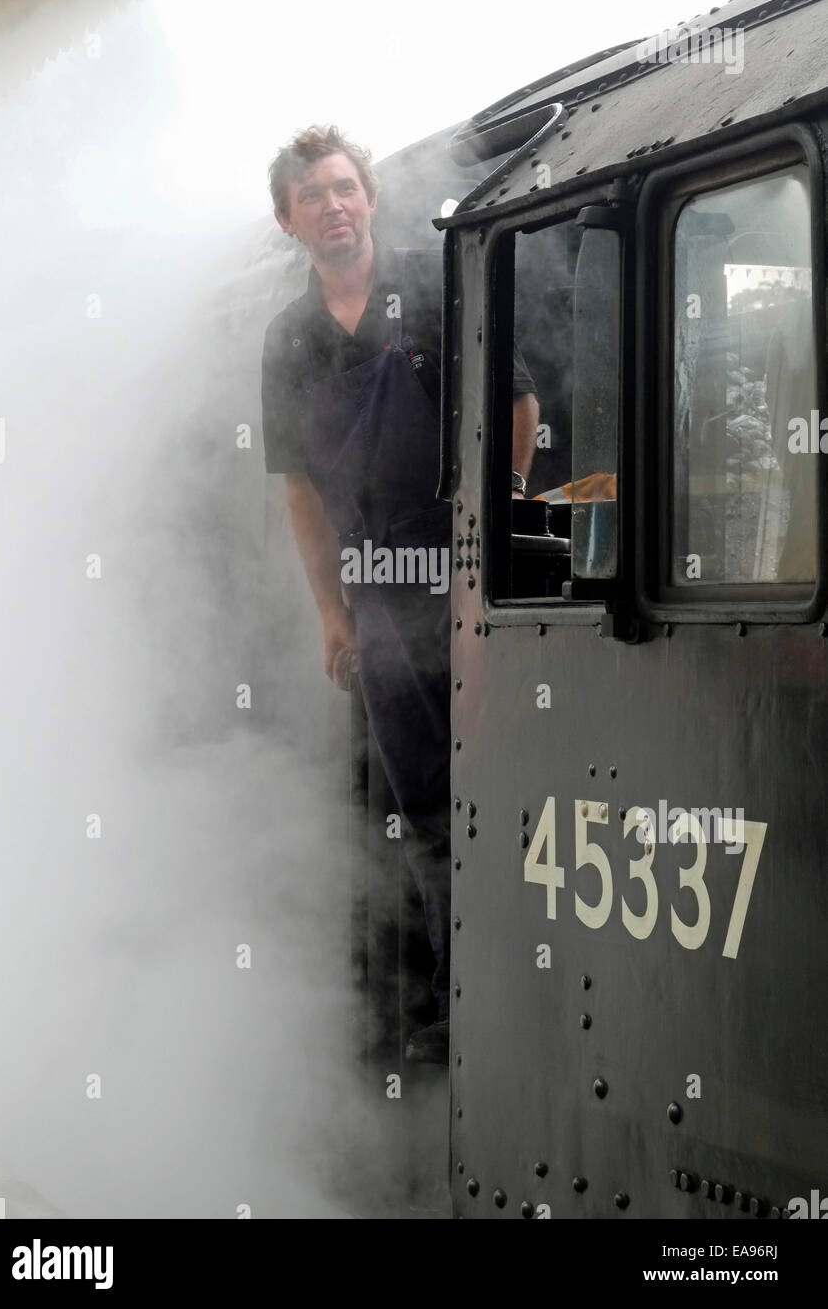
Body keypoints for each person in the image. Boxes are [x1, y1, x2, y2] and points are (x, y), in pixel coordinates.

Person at [261, 126, 538, 1062]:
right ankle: (461, 996)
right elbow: (297, 486)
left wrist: (481, 563)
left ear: (369, 197)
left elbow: (518, 406)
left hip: (460, 565)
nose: (334, 206)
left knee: (492, 776)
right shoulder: (289, 338)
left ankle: (516, 992)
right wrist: (333, 611)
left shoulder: (433, 281)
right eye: (313, 197)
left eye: (345, 188)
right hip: (375, 589)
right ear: (288, 220)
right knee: (419, 801)